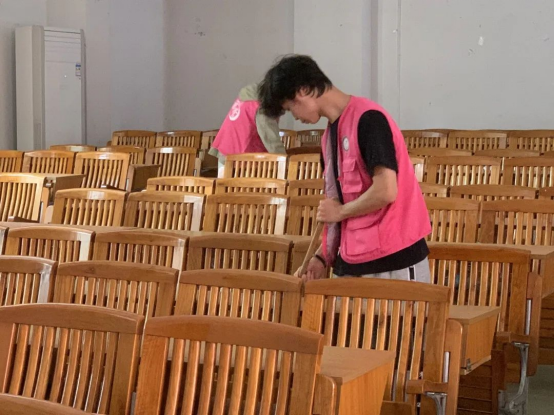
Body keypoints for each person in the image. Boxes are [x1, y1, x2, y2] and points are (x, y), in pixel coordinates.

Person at [258, 55, 431, 282]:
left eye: (291, 109)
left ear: (303, 91)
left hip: (394, 259)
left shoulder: (369, 119)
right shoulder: (329, 136)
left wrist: (340, 212)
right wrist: (321, 257)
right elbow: (338, 202)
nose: (296, 118)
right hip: (353, 258)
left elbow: (386, 191)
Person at [209, 84, 287, 173]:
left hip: (226, 153)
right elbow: (271, 141)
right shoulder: (263, 107)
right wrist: (287, 163)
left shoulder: (249, 97)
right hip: (240, 163)